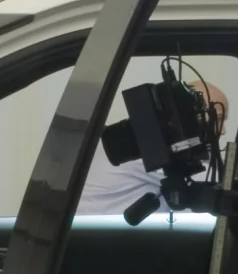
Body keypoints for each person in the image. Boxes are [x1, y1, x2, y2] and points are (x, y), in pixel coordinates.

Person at [79, 70, 227, 218]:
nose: (224, 130)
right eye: (218, 117)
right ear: (190, 112)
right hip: (100, 236)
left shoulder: (150, 139)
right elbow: (220, 187)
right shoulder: (148, 147)